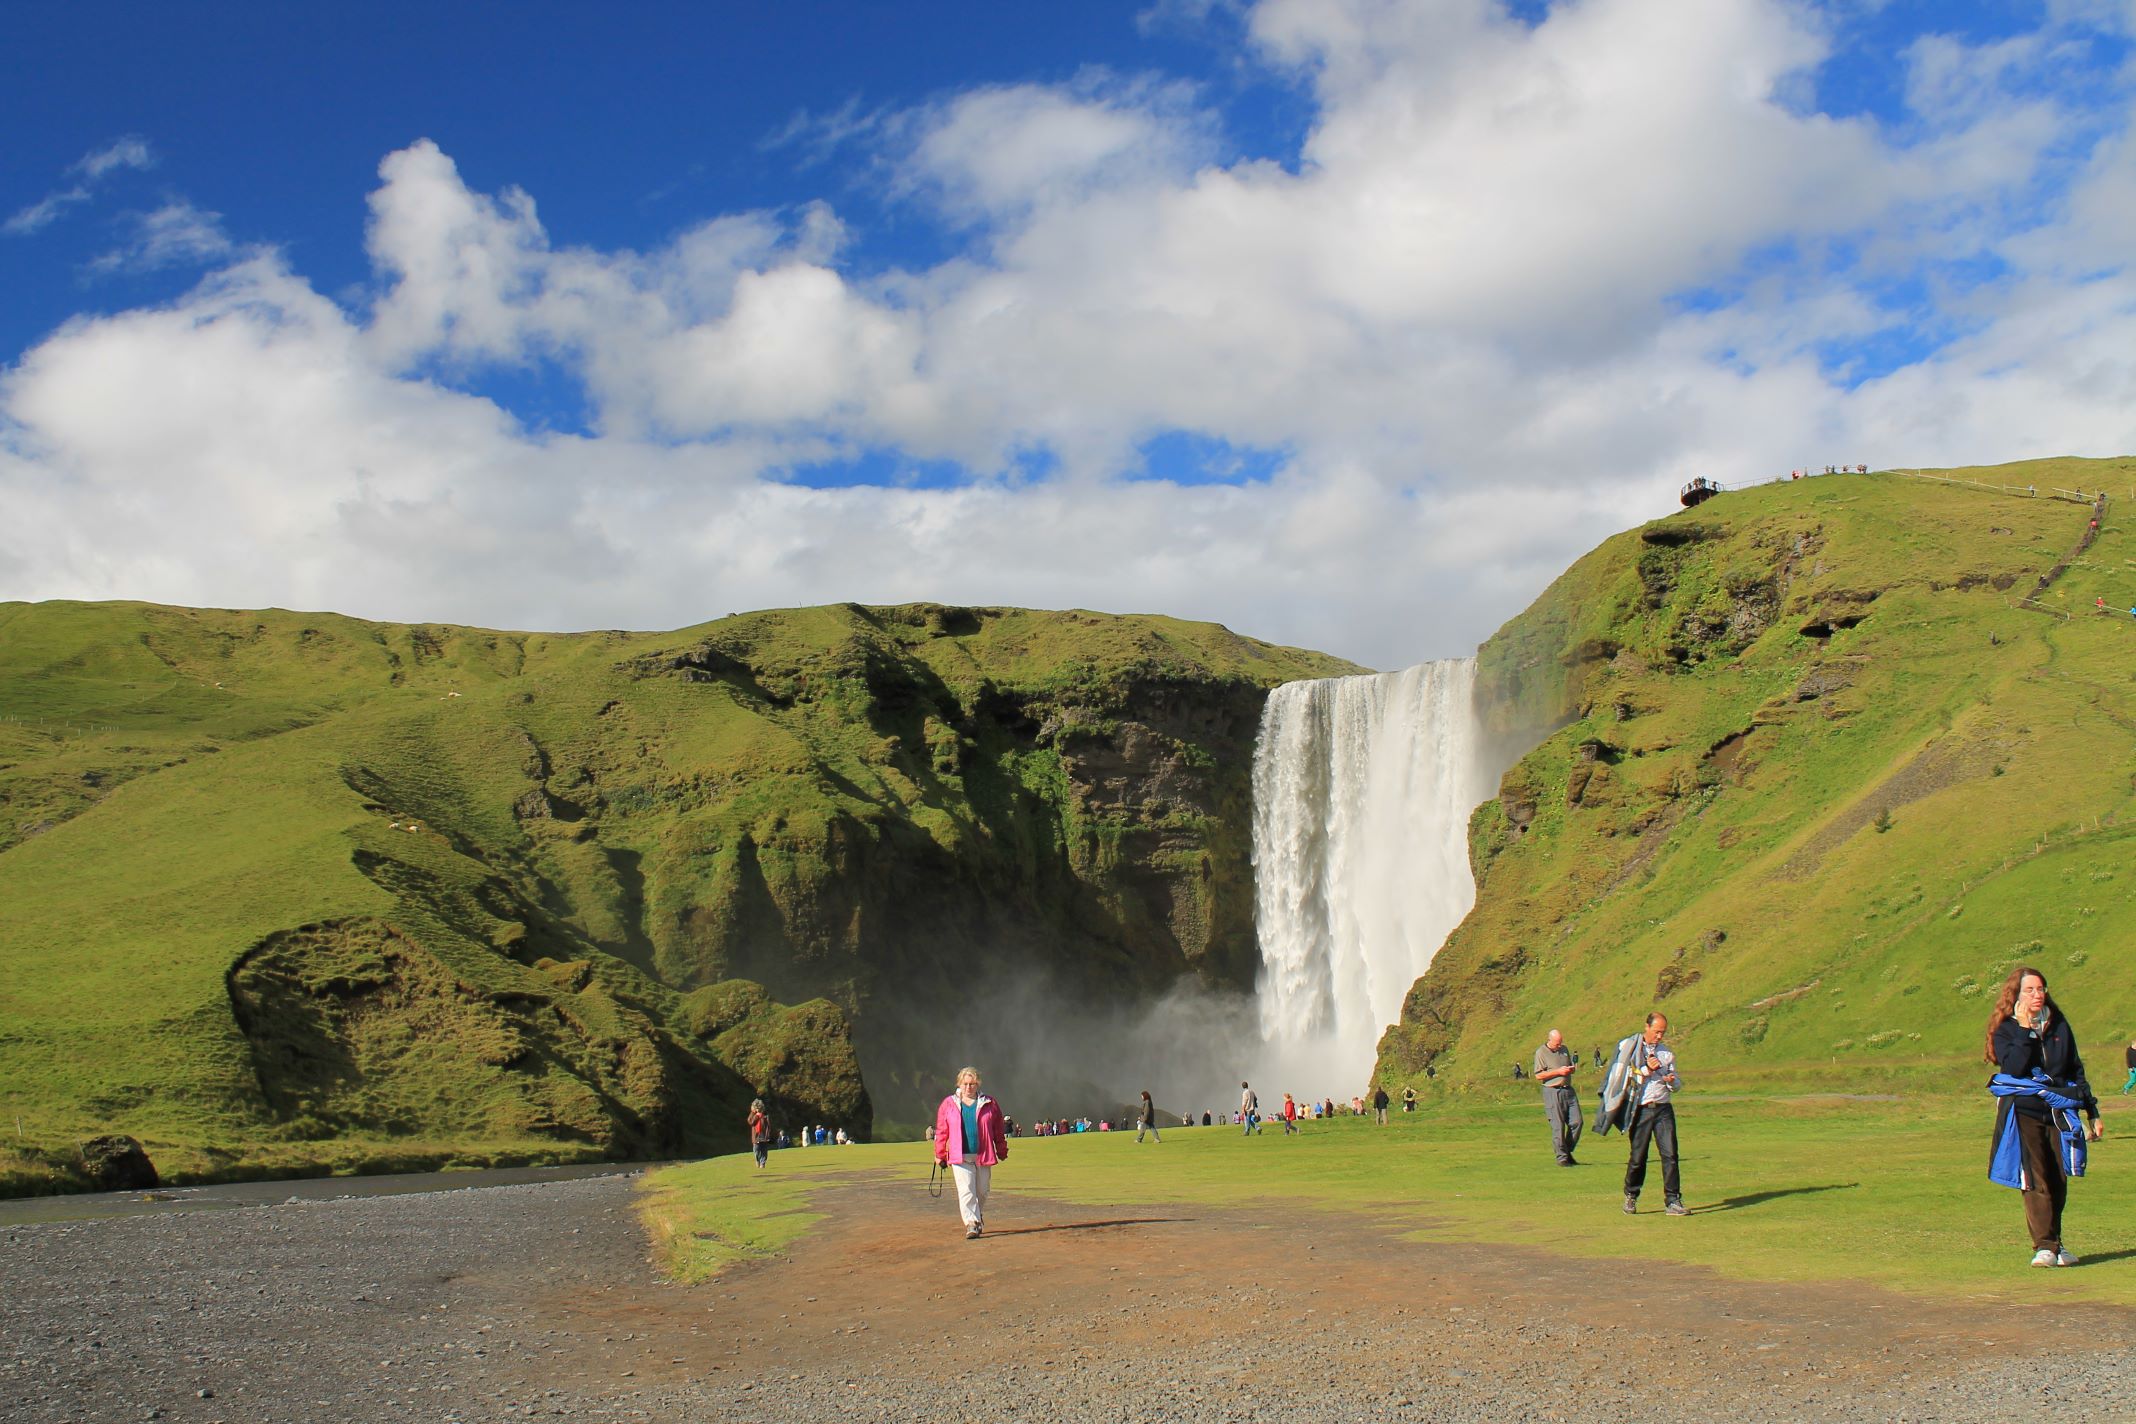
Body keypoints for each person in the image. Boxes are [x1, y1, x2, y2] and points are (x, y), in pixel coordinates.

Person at [1987, 967, 2103, 1266]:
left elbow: (2075, 1069)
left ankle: (2057, 1243)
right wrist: (2025, 1029)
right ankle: (2044, 1246)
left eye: (2041, 989)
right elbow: (2013, 1068)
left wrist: (2092, 1110)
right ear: (2016, 994)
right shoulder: (2007, 1029)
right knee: (2035, 1177)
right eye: (2030, 990)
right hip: (2024, 1110)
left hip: (2060, 1109)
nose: (2037, 995)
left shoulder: (2059, 1025)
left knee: (2058, 1177)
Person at [1620, 1012, 1687, 1216]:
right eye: (1657, 1031)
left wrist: (1671, 1081)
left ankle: (1673, 1200)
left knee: (1670, 1154)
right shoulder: (1630, 1048)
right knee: (1638, 1156)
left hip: (1663, 1108)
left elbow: (1677, 1085)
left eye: (1663, 1033)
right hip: (1641, 1109)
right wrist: (1646, 1069)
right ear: (1647, 1027)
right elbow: (1623, 1075)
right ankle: (1631, 1195)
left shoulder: (1666, 1054)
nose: (1659, 1036)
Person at [933, 1065, 1009, 1241]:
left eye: (972, 1083)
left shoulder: (990, 1103)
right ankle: (971, 1223)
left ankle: (977, 1216)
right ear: (959, 1084)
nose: (969, 1087)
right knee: (966, 1191)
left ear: (978, 1084)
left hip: (983, 1153)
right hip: (960, 1156)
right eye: (965, 1083)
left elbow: (998, 1129)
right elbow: (942, 1130)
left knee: (982, 1191)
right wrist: (940, 1153)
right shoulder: (949, 1104)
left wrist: (1002, 1149)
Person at [1534, 1029, 1582, 1166]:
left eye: (1560, 1043)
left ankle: (1567, 1151)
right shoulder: (1541, 1053)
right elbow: (1539, 1075)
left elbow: (1566, 1065)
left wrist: (1570, 1069)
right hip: (1552, 1092)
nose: (1559, 1046)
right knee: (1558, 1126)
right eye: (1557, 1044)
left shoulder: (1564, 1049)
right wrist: (1558, 1072)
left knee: (1577, 1122)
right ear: (1550, 1040)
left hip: (1568, 1090)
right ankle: (1562, 1158)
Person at [747, 1098, 771, 1169]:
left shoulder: (765, 1116)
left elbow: (768, 1127)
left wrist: (768, 1136)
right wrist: (753, 1113)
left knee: (764, 1151)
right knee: (756, 1150)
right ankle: (757, 1160)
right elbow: (750, 1122)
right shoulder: (755, 1116)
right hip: (756, 1137)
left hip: (764, 1136)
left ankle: (762, 1163)